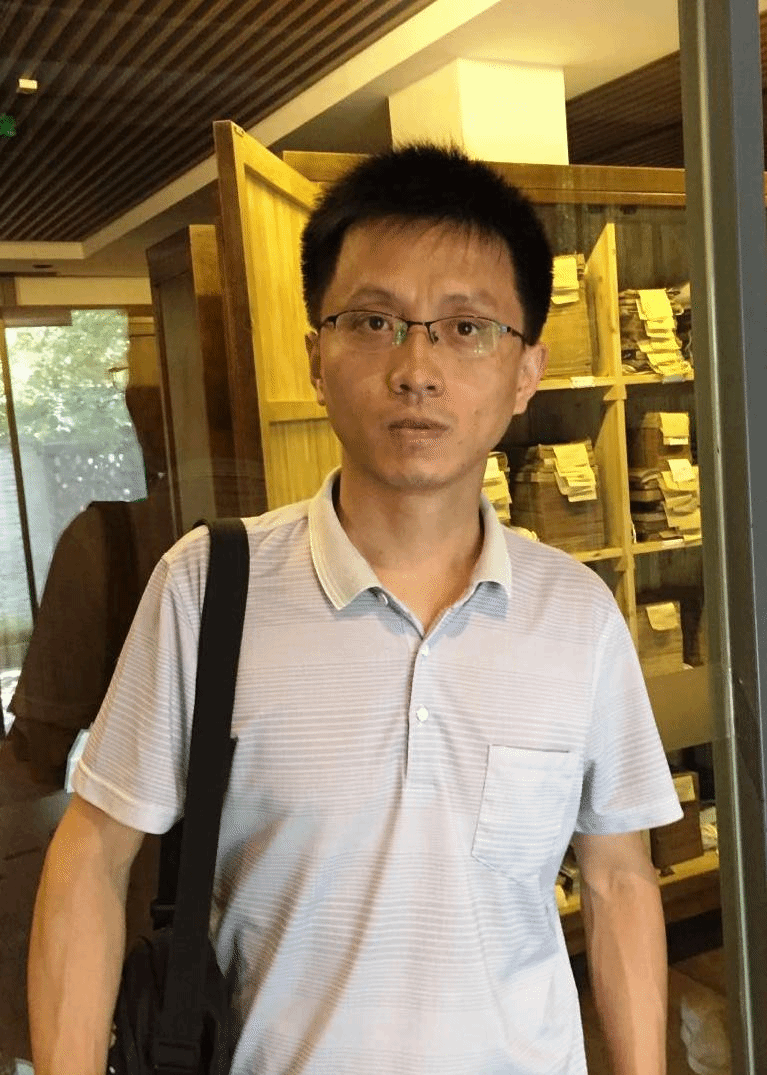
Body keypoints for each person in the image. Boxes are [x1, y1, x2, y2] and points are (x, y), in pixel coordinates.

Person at [27, 143, 683, 1075]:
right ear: (316, 357)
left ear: (525, 371)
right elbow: (93, 853)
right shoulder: (208, 587)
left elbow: (618, 879)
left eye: (466, 328)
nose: (417, 368)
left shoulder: (576, 615)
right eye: (374, 321)